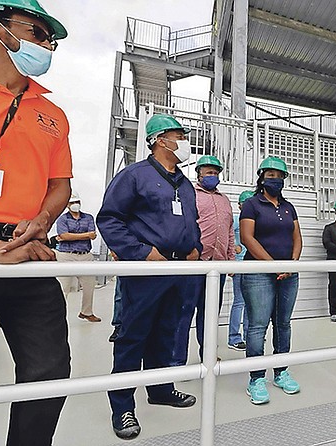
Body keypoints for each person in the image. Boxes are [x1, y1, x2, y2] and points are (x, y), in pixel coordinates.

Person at [0, 1, 71, 444]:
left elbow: (59, 184)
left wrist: (42, 219)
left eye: (49, 39)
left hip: (26, 249)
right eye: (37, 32)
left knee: (50, 370)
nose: (46, 45)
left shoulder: (53, 114)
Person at [97, 114, 202, 440]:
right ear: (160, 140)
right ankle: (122, 406)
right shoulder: (134, 176)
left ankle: (160, 389)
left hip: (179, 270)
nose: (184, 141)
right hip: (146, 272)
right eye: (179, 134)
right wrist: (141, 253)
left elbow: (191, 221)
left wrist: (195, 246)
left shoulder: (183, 183)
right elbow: (110, 218)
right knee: (133, 336)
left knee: (166, 335)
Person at [240, 156, 302, 405]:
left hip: (288, 274)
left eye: (280, 176)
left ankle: (280, 372)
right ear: (262, 176)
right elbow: (247, 237)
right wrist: (272, 264)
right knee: (257, 326)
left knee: (283, 324)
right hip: (258, 273)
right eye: (271, 175)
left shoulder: (289, 207)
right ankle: (256, 378)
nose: (275, 180)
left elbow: (297, 237)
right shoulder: (252, 205)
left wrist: (292, 263)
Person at [186, 154, 234, 362]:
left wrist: (230, 259)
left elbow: (230, 231)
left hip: (218, 267)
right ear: (199, 173)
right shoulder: (190, 194)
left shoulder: (225, 200)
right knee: (184, 313)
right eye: (208, 172)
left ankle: (207, 355)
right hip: (194, 265)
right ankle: (176, 359)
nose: (212, 176)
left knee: (210, 314)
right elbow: (184, 226)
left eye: (215, 173)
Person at [54, 193, 100, 322]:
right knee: (64, 287)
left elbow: (93, 235)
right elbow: (63, 235)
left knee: (89, 286)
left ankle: (86, 312)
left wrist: (70, 235)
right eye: (72, 202)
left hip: (85, 255)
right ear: (67, 204)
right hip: (66, 256)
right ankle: (59, 315)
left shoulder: (89, 217)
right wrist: (85, 235)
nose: (75, 204)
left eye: (77, 201)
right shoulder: (62, 219)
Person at [228, 190, 253, 351]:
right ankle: (234, 338)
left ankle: (249, 335)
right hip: (239, 265)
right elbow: (226, 236)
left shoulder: (254, 222)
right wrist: (232, 250)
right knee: (239, 302)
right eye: (246, 203)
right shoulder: (236, 220)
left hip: (252, 265)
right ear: (239, 205)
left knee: (251, 303)